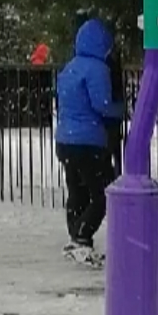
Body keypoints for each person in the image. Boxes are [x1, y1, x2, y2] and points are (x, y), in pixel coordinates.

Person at [55, 17, 124, 265]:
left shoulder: (69, 67)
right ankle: (80, 237)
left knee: (76, 191)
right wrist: (121, 110)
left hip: (65, 139)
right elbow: (102, 105)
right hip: (89, 141)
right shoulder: (97, 69)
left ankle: (76, 238)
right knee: (103, 193)